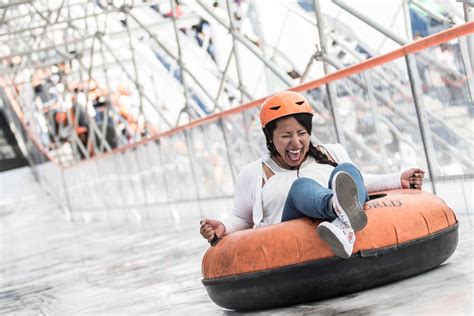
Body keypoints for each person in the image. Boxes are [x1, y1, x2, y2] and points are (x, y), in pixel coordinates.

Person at [200, 91, 425, 258]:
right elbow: (242, 218)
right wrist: (223, 227)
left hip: (335, 230)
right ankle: (336, 208)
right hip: (290, 239)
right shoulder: (253, 173)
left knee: (347, 171)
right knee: (301, 187)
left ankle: (342, 225)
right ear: (270, 138)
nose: (296, 143)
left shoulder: (332, 151)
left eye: (302, 133)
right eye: (286, 136)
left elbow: (358, 182)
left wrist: (399, 179)